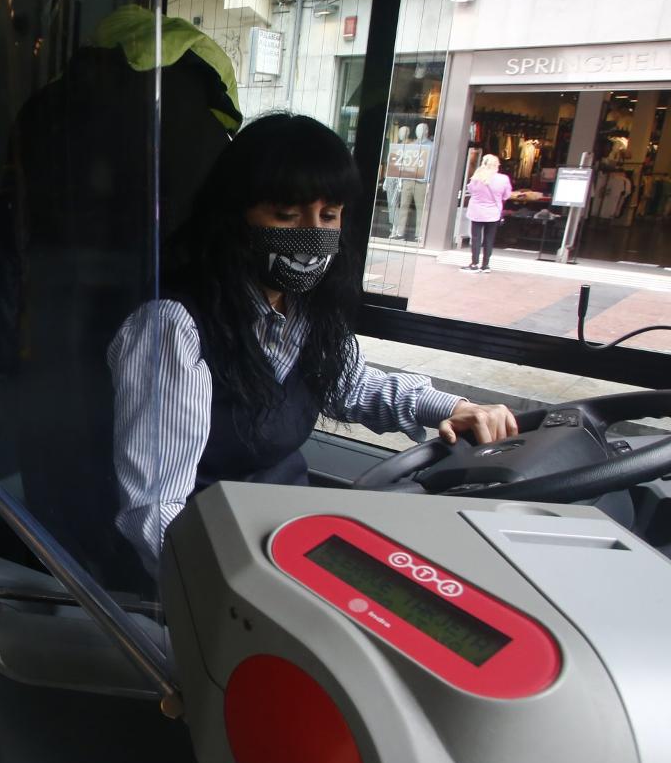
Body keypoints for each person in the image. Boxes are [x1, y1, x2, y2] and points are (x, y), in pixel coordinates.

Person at [108, 113, 517, 573]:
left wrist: (453, 407)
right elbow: (157, 509)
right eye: (286, 215)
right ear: (233, 216)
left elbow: (352, 385)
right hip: (218, 557)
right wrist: (216, 592)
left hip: (290, 537)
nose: (313, 233)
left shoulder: (305, 311)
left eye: (329, 216)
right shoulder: (173, 329)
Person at [463, 153, 511, 273]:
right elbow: (507, 195)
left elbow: (470, 190)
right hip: (493, 213)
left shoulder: (476, 178)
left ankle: (474, 264)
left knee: (476, 238)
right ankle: (486, 265)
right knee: (489, 239)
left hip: (477, 212)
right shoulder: (503, 179)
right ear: (497, 165)